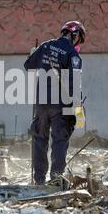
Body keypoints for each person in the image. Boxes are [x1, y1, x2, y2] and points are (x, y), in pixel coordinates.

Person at [24, 21, 86, 185]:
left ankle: (39, 180)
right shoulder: (72, 54)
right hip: (61, 104)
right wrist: (78, 111)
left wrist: (33, 54)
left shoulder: (45, 46)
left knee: (39, 139)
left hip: (42, 102)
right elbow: (74, 83)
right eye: (79, 38)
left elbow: (28, 65)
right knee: (59, 140)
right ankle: (56, 179)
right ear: (75, 35)